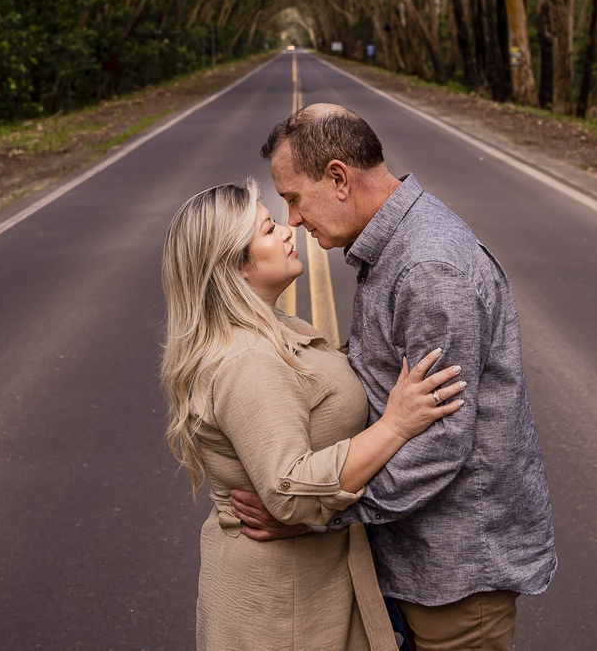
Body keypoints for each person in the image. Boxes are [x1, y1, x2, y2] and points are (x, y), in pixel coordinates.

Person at [233, 103, 557, 651]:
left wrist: (319, 514)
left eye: (292, 198)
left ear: (337, 177)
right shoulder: (395, 248)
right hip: (418, 562)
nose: (292, 220)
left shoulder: (428, 269)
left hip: (456, 576)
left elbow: (439, 446)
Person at [160, 177, 467, 651]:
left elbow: (314, 382)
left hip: (308, 584)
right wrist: (396, 424)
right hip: (285, 609)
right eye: (267, 230)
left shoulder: (273, 328)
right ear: (234, 268)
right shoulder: (249, 363)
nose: (287, 231)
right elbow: (290, 491)